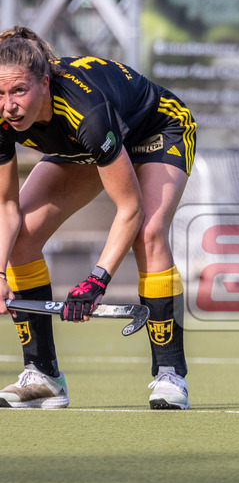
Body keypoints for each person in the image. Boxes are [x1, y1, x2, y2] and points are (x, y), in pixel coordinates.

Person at [0, 27, 194, 409]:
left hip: (156, 128)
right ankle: (43, 376)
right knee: (22, 237)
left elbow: (130, 209)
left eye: (19, 91)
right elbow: (6, 208)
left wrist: (96, 281)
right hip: (86, 145)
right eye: (0, 93)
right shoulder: (3, 120)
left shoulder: (85, 113)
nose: (8, 105)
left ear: (44, 82)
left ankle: (169, 374)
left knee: (149, 233)